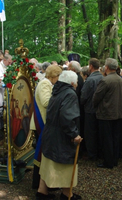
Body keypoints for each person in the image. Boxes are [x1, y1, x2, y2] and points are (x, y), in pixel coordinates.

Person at [38, 70, 83, 200]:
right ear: (73, 83)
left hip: (50, 134)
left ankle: (42, 192)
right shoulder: (70, 94)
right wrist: (74, 134)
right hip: (61, 137)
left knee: (48, 165)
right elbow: (67, 117)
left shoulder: (56, 91)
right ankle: (67, 194)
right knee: (65, 166)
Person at [30, 65, 62, 190]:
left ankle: (44, 184)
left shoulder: (48, 83)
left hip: (46, 122)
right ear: (54, 76)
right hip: (42, 122)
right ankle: (39, 184)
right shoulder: (45, 83)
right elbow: (45, 102)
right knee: (42, 154)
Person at [93, 58, 122, 169]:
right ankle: (114, 160)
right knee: (115, 138)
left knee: (106, 139)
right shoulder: (120, 79)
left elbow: (97, 97)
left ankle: (108, 162)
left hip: (106, 113)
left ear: (106, 67)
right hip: (117, 113)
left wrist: (94, 105)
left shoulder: (105, 80)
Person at [80, 58, 103, 161]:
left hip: (90, 109)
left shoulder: (90, 80)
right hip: (101, 110)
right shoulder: (103, 77)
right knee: (98, 132)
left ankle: (91, 154)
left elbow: (84, 96)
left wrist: (81, 104)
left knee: (90, 133)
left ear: (90, 66)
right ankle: (98, 152)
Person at [0, 53, 13, 130]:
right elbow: (0, 78)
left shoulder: (8, 67)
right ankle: (0, 127)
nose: (9, 64)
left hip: (7, 90)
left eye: (10, 63)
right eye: (9, 62)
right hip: (0, 91)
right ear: (4, 60)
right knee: (1, 108)